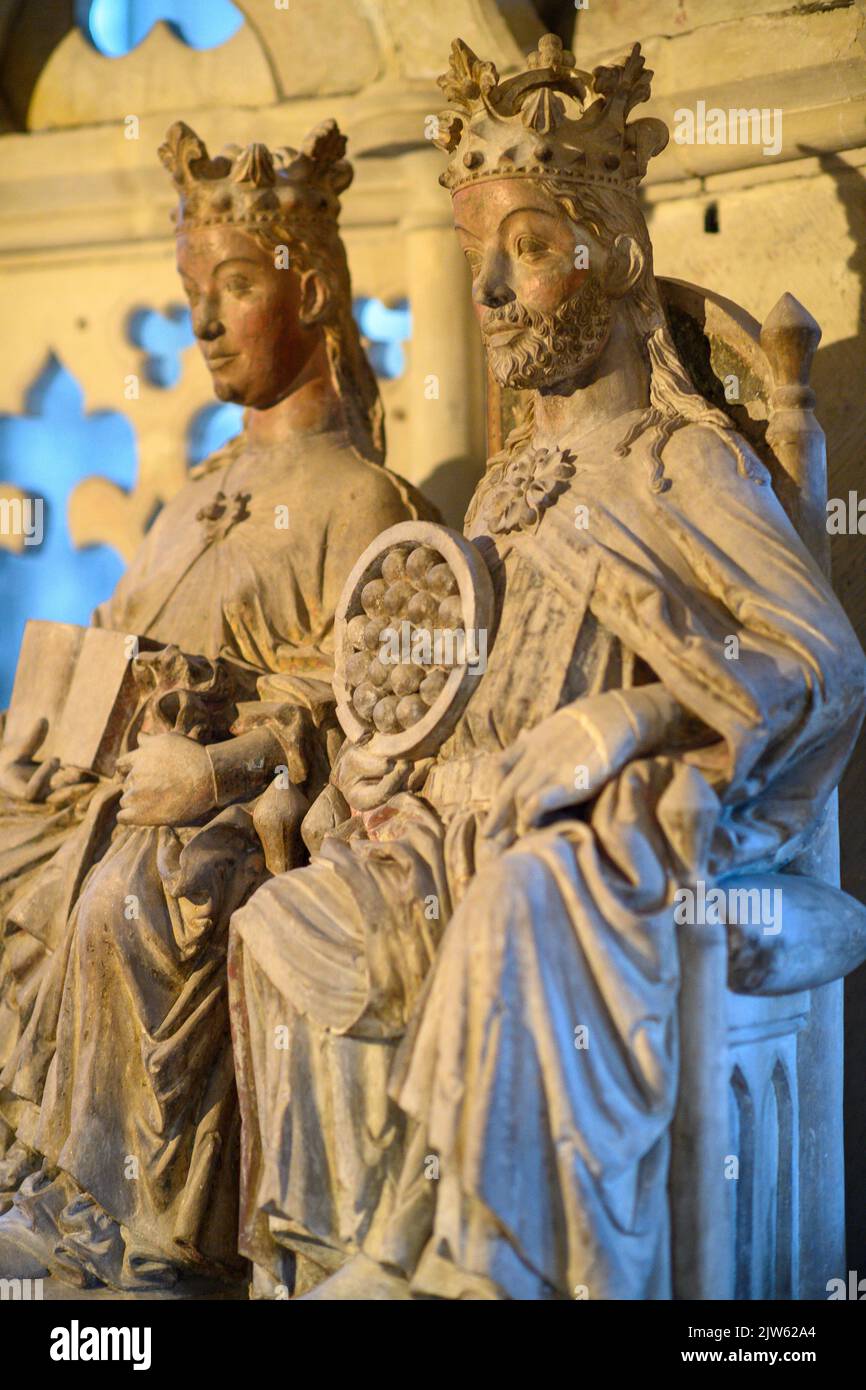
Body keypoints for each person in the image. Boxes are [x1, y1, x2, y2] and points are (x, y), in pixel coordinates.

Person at [227, 38, 866, 1299]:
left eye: (522, 248)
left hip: (607, 840)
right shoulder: (503, 495)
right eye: (479, 262)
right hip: (458, 829)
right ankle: (362, 1248)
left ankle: (503, 1261)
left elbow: (814, 659)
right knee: (280, 914)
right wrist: (378, 752)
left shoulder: (681, 465)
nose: (491, 294)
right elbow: (450, 686)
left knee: (519, 901)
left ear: (612, 256)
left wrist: (625, 721)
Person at [0, 117, 432, 1291]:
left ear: (312, 290)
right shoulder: (197, 493)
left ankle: (141, 1224)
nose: (199, 320)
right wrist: (53, 723)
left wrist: (218, 767)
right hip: (112, 778)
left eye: (233, 285)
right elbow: (114, 638)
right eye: (193, 288)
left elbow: (364, 707)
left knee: (130, 895)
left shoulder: (361, 496)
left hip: (238, 814)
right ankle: (28, 1164)